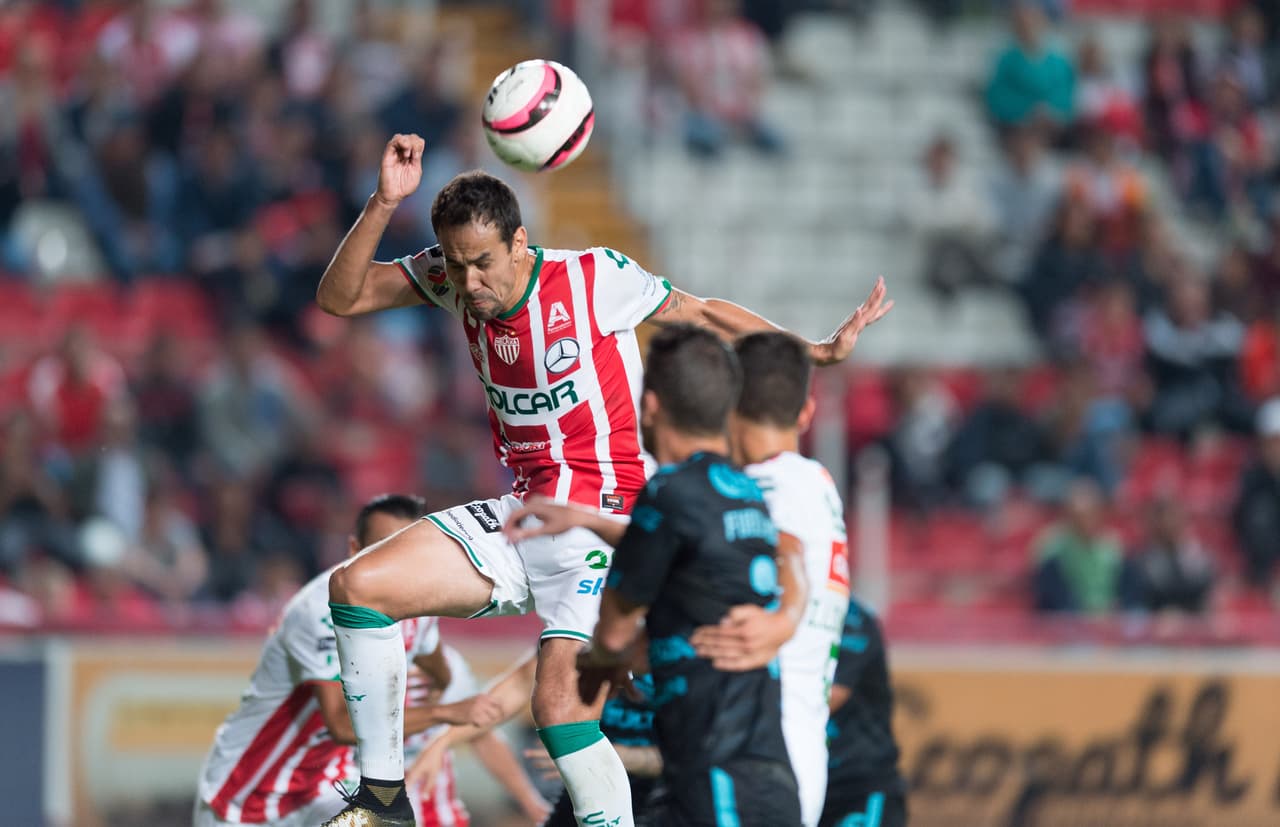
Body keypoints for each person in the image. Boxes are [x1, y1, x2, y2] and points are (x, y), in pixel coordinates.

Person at [315, 133, 890, 825]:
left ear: (521, 242)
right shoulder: (451, 280)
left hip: (606, 515)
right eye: (459, 265)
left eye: (484, 264)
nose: (470, 283)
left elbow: (703, 312)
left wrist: (814, 350)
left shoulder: (593, 277)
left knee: (558, 707)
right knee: (357, 588)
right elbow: (341, 298)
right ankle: (381, 795)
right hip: (526, 512)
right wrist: (384, 203)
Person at [506, 325, 802, 826]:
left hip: (713, 781)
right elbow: (734, 552)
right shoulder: (744, 492)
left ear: (649, 408)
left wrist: (598, 656)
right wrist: (589, 519)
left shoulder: (666, 493)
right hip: (765, 769)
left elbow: (615, 632)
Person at [193, 494, 502, 827]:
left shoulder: (418, 605)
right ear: (356, 549)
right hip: (247, 796)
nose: (398, 565)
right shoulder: (319, 611)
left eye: (409, 553)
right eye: (384, 549)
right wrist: (446, 712)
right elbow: (340, 724)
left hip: (327, 787)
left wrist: (440, 686)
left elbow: (433, 659)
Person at [685, 331, 850, 827]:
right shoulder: (818, 483)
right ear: (805, 412)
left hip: (754, 756)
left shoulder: (761, 488)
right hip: (795, 756)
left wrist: (786, 617)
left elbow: (785, 548)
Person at [818, 598, 907, 827]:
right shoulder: (774, 611)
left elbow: (831, 695)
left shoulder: (851, 618)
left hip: (855, 784)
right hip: (805, 779)